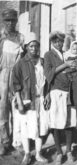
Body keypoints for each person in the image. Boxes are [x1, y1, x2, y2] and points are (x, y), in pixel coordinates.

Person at [11, 33, 49, 165]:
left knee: (39, 127)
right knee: (26, 128)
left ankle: (38, 153)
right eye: (31, 46)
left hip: (40, 99)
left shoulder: (43, 62)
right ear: (26, 47)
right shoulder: (20, 64)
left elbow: (47, 81)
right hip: (27, 101)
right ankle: (27, 154)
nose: (34, 48)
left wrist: (47, 95)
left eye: (36, 46)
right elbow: (15, 84)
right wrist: (20, 102)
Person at [44, 31, 77, 164]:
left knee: (69, 123)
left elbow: (72, 71)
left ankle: (68, 150)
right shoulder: (48, 55)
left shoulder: (66, 54)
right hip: (57, 92)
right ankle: (59, 152)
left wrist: (73, 67)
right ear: (52, 43)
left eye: (60, 41)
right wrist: (65, 65)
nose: (58, 43)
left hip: (69, 91)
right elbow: (48, 74)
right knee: (57, 123)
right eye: (56, 41)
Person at [0, 9, 24, 155]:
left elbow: (24, 58)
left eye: (13, 20)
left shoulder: (21, 37)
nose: (10, 23)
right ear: (4, 21)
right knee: (3, 108)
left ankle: (17, 140)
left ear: (16, 21)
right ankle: (3, 141)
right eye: (7, 20)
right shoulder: (1, 37)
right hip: (3, 74)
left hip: (16, 75)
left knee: (17, 107)